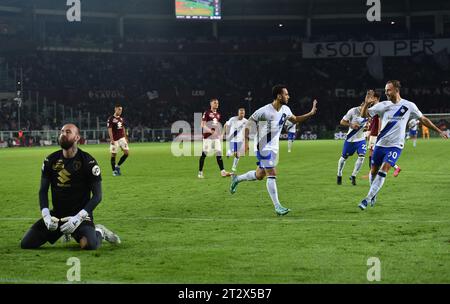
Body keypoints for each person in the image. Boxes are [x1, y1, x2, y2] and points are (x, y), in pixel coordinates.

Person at [21, 123, 121, 250]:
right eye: (62, 131)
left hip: (80, 217)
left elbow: (97, 196)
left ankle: (99, 231)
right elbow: (43, 191)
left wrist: (78, 218)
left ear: (77, 138)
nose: (63, 134)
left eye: (68, 132)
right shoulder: (50, 160)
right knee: (27, 244)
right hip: (57, 216)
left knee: (89, 245)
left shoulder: (88, 162)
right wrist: (46, 215)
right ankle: (65, 232)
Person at [358, 81, 448, 210]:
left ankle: (367, 199)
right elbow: (363, 116)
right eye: (385, 91)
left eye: (388, 90)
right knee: (373, 171)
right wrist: (366, 103)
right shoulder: (383, 105)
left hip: (396, 146)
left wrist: (438, 130)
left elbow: (423, 119)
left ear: (396, 90)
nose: (386, 93)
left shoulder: (409, 106)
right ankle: (374, 194)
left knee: (384, 170)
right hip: (381, 144)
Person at [230, 84, 317, 216]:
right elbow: (248, 124)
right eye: (286, 94)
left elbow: (296, 119)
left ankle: (237, 179)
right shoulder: (264, 111)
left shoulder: (286, 110)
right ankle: (278, 206)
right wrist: (246, 143)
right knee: (272, 173)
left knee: (260, 175)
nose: (288, 96)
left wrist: (310, 113)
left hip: (274, 147)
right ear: (278, 96)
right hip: (262, 146)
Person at [337, 101, 369, 186]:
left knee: (362, 157)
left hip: (361, 139)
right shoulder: (352, 111)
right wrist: (351, 125)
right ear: (362, 106)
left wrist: (367, 127)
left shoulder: (369, 112)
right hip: (350, 139)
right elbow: (342, 122)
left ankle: (353, 176)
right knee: (344, 158)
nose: (367, 111)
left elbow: (367, 124)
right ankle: (339, 174)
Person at [198, 98, 230, 178]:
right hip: (207, 137)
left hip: (215, 137)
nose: (216, 104)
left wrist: (220, 134)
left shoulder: (218, 115)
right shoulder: (207, 113)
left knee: (219, 154)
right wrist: (210, 131)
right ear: (211, 104)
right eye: (215, 103)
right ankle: (200, 172)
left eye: (217, 103)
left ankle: (222, 172)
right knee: (204, 154)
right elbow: (202, 125)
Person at [224, 107, 248, 172]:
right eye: (241, 113)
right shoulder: (232, 119)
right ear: (238, 113)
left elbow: (247, 129)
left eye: (243, 113)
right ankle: (230, 152)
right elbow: (225, 124)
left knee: (238, 154)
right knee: (236, 153)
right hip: (233, 139)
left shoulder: (246, 121)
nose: (242, 114)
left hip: (240, 140)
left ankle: (234, 166)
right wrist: (224, 133)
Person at [107, 105, 129, 176]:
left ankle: (118, 166)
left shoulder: (121, 119)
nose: (120, 111)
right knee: (114, 155)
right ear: (115, 109)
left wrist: (125, 137)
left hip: (122, 138)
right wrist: (112, 140)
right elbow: (109, 130)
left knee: (126, 153)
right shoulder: (111, 119)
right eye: (119, 109)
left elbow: (123, 128)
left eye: (121, 110)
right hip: (115, 139)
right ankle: (114, 171)